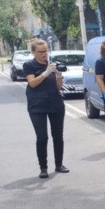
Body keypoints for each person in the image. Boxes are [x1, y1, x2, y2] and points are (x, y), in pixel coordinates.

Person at [24, 39, 69, 178]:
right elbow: (32, 83)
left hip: (55, 104)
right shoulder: (29, 65)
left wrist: (58, 75)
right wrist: (45, 73)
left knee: (58, 136)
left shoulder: (51, 65)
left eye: (45, 51)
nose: (44, 54)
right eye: (40, 52)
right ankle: (43, 167)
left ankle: (59, 164)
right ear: (33, 52)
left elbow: (59, 86)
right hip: (37, 105)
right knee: (42, 137)